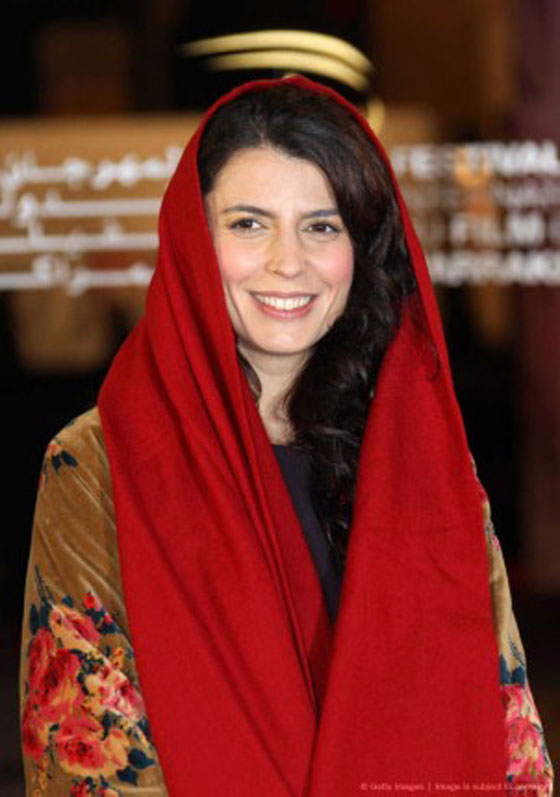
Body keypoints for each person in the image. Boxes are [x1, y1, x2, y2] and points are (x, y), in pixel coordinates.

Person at [19, 75, 553, 796]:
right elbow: (84, 756)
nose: (287, 261)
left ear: (363, 248)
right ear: (194, 239)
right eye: (249, 223)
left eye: (322, 226)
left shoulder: (423, 458)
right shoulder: (97, 463)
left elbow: (509, 736)